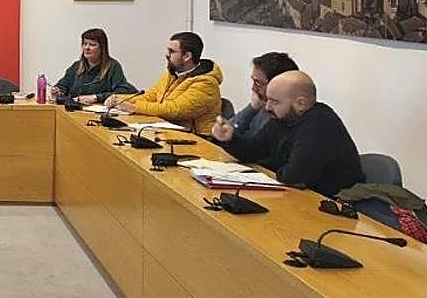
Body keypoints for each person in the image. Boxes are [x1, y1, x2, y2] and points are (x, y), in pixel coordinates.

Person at [211, 70, 365, 197]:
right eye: (267, 100)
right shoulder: (283, 118)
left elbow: (294, 175)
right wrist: (230, 139)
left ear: (300, 103)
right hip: (300, 196)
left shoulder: (320, 123)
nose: (267, 107)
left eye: (274, 102)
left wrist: (270, 166)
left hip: (334, 202)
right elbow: (254, 149)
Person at [105, 31, 222, 137]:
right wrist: (119, 99)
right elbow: (152, 95)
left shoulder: (206, 83)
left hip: (198, 138)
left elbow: (175, 110)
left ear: (187, 56)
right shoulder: (172, 73)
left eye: (171, 51)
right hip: (170, 131)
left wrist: (135, 107)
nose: (166, 55)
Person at [214, 51, 298, 140]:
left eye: (257, 82)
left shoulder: (284, 116)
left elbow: (254, 146)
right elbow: (228, 130)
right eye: (253, 81)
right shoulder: (261, 104)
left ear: (277, 84)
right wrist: (252, 108)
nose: (253, 88)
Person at [49, 28, 136, 103]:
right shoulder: (77, 66)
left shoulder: (113, 66)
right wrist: (58, 90)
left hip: (99, 112)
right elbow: (64, 85)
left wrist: (96, 97)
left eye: (92, 44)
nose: (87, 48)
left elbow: (122, 92)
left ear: (102, 48)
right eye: (85, 44)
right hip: (77, 110)